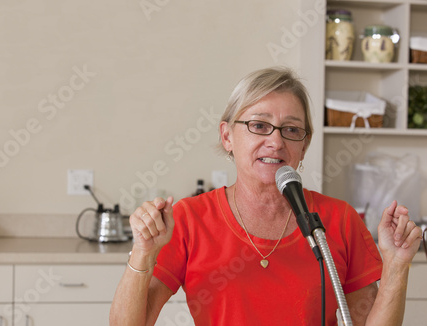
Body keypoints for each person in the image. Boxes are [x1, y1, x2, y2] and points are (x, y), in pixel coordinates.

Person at [110, 67, 423, 325]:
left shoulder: (338, 219)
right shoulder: (191, 218)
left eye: (291, 130)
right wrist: (143, 254)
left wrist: (396, 267)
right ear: (227, 136)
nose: (275, 142)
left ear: (304, 146)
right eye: (259, 125)